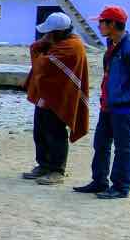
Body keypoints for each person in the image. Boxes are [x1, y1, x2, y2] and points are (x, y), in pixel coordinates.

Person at [75, 5, 130, 200]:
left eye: (101, 22)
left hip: (123, 107)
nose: (99, 26)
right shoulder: (113, 44)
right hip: (109, 104)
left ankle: (120, 187)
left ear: (112, 24)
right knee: (101, 144)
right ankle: (99, 181)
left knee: (123, 148)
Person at [23, 12, 90, 186]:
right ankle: (44, 165)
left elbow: (43, 65)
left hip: (60, 97)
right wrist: (41, 45)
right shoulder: (56, 43)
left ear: (58, 32)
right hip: (45, 95)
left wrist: (40, 48)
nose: (46, 36)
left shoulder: (73, 46)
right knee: (40, 131)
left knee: (55, 133)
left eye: (49, 33)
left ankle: (57, 170)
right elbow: (38, 55)